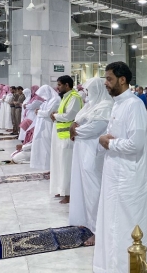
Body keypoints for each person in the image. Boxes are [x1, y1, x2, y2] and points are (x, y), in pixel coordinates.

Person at [94, 62, 147, 273]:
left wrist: (109, 143)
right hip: (113, 174)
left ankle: (125, 268)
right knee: (110, 224)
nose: (106, 83)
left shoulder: (133, 105)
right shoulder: (117, 104)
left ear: (122, 79)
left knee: (125, 226)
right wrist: (105, 141)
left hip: (127, 177)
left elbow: (136, 144)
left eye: (109, 79)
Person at [69, 78, 113, 247]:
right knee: (83, 187)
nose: (86, 94)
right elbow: (78, 120)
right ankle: (87, 220)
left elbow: (93, 129)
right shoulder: (90, 105)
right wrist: (75, 126)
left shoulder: (105, 106)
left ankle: (98, 230)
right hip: (81, 150)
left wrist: (75, 130)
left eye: (89, 91)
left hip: (92, 152)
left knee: (94, 189)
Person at [50, 76, 83, 204]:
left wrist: (55, 115)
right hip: (61, 136)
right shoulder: (66, 96)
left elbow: (70, 115)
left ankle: (69, 194)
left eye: (59, 85)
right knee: (60, 164)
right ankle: (62, 190)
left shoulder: (74, 97)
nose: (57, 87)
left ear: (67, 85)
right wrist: (56, 115)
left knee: (67, 166)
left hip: (68, 137)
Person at [30, 85, 61, 171]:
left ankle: (53, 169)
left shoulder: (56, 100)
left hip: (49, 125)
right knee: (43, 147)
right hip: (42, 125)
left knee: (49, 146)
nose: (42, 97)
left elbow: (48, 113)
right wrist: (39, 111)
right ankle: (47, 167)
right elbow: (43, 111)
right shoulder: (47, 101)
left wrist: (38, 111)